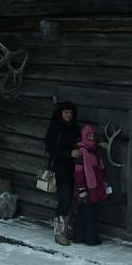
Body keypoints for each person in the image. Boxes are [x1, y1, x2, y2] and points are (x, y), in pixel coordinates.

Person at [44, 101, 81, 246]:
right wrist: (68, 153)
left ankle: (65, 229)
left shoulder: (75, 128)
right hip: (60, 168)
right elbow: (50, 149)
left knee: (70, 199)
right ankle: (59, 233)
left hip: (74, 169)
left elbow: (81, 143)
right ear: (60, 113)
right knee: (65, 199)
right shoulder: (55, 127)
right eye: (66, 112)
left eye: (71, 113)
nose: (68, 115)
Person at [73, 124, 108, 246]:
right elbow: (78, 172)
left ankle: (78, 237)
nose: (91, 138)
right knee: (89, 213)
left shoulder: (94, 150)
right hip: (86, 187)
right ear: (84, 137)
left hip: (95, 186)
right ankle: (91, 239)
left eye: (92, 136)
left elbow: (100, 168)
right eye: (89, 136)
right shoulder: (81, 152)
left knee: (84, 212)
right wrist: (82, 189)